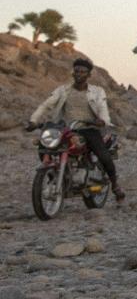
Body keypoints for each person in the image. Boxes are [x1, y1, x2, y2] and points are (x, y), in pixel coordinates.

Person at [27, 58, 125, 202]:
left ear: (88, 75)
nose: (79, 74)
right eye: (77, 71)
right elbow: (45, 105)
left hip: (88, 128)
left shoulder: (97, 92)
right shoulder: (63, 90)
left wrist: (102, 121)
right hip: (65, 128)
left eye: (83, 72)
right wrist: (33, 120)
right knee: (44, 147)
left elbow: (103, 108)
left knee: (104, 156)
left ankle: (115, 184)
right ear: (73, 73)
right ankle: (55, 174)